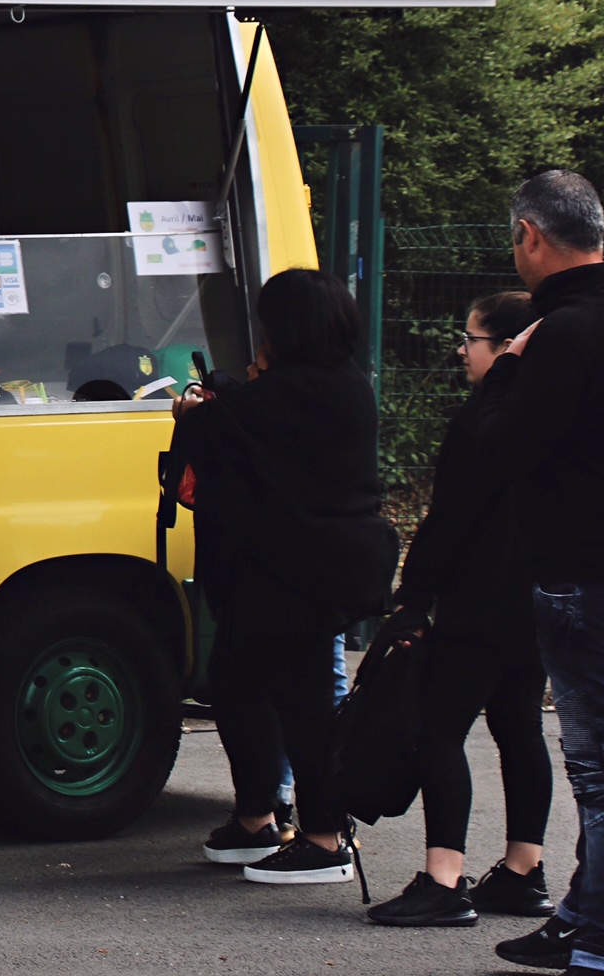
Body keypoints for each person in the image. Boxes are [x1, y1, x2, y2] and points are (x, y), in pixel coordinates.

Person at [171, 268, 397, 886]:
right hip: (295, 568)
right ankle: (257, 818)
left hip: (302, 575)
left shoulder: (299, 393)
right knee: (238, 683)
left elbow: (217, 427)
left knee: (302, 703)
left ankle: (325, 838)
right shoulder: (340, 384)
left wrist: (192, 406)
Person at [471, 171, 604, 975]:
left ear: (531, 235)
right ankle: (585, 911)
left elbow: (500, 450)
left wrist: (506, 367)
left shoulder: (562, 335)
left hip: (584, 570)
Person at [368, 289, 555, 928]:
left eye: (471, 339)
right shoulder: (554, 417)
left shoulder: (482, 421)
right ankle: (523, 868)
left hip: (479, 598)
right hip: (536, 599)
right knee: (520, 727)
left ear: (505, 348)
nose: (461, 349)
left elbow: (447, 518)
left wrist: (415, 596)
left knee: (440, 728)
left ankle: (444, 877)